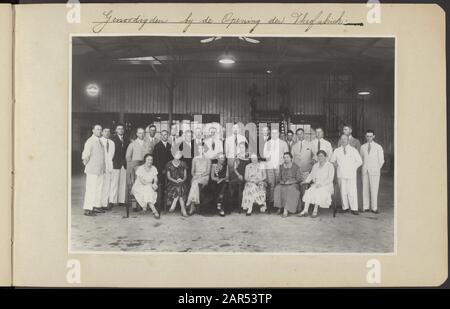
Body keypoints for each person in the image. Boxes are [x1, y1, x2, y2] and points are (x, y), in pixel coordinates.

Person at [331, 134, 363, 215]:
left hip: (351, 174)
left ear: (348, 140)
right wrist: (335, 164)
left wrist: (353, 168)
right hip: (341, 174)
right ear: (340, 140)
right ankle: (345, 207)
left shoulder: (353, 150)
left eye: (345, 139)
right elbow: (332, 161)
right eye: (342, 139)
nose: (343, 141)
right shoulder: (337, 150)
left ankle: (354, 208)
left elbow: (360, 161)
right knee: (343, 191)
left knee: (352, 191)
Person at [299, 150, 335, 218]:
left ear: (325, 157)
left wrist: (321, 184)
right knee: (309, 192)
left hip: (326, 185)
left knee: (318, 192)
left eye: (321, 156)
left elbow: (330, 179)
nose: (320, 157)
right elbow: (311, 175)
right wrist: (306, 181)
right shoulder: (315, 165)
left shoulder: (330, 166)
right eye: (318, 156)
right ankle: (305, 211)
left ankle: (315, 210)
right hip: (316, 184)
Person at [81, 124, 106, 216]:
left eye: (100, 129)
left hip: (100, 169)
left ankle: (96, 206)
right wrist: (89, 166)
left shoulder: (100, 141)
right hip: (92, 170)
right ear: (93, 131)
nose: (99, 131)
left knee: (98, 188)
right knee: (91, 189)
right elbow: (85, 156)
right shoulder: (90, 141)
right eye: (97, 129)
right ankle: (87, 209)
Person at [263, 128, 289, 210]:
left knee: (279, 184)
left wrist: (281, 164)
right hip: (270, 167)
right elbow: (265, 155)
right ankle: (271, 203)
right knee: (271, 185)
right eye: (272, 133)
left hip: (279, 167)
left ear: (278, 134)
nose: (274, 135)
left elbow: (286, 156)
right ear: (271, 134)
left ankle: (279, 204)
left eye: (276, 133)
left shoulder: (283, 143)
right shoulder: (267, 143)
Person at [360, 130, 384, 214]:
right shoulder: (362, 147)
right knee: (365, 189)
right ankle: (365, 207)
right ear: (365, 137)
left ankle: (374, 208)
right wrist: (364, 167)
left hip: (374, 171)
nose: (369, 138)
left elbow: (381, 160)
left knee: (374, 189)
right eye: (367, 136)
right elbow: (361, 159)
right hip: (365, 170)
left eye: (370, 136)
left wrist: (376, 168)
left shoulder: (378, 147)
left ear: (374, 136)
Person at [273, 152, 302, 217]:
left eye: (287, 157)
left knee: (289, 189)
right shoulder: (281, 166)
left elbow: (299, 179)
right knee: (278, 188)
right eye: (284, 157)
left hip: (293, 184)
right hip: (283, 183)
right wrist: (281, 181)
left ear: (291, 158)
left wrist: (290, 182)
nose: (286, 159)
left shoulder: (296, 167)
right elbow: (279, 178)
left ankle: (286, 210)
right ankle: (279, 207)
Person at [131, 154, 159, 219]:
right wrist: (151, 185)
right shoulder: (140, 168)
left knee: (148, 189)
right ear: (145, 160)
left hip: (148, 186)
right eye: (148, 160)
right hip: (139, 186)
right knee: (148, 189)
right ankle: (154, 210)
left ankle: (144, 208)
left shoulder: (154, 168)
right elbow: (142, 181)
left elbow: (155, 178)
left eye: (151, 160)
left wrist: (155, 183)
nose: (150, 161)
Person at [125, 127, 148, 209]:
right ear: (137, 134)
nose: (142, 134)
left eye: (143, 133)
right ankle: (134, 206)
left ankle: (143, 205)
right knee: (135, 186)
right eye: (140, 133)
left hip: (145, 169)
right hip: (135, 169)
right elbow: (128, 157)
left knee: (144, 186)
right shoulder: (132, 144)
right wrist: (131, 169)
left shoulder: (147, 144)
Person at [186, 144, 211, 215]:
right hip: (196, 176)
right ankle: (193, 205)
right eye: (199, 149)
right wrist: (194, 176)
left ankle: (189, 202)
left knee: (195, 183)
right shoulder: (194, 159)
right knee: (195, 183)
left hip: (204, 177)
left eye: (202, 149)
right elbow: (192, 171)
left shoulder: (208, 159)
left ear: (204, 150)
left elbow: (208, 171)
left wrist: (199, 176)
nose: (200, 150)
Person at [152, 130, 173, 209]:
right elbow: (156, 160)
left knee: (169, 186)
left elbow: (171, 160)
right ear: (160, 136)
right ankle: (158, 204)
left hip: (168, 170)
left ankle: (167, 203)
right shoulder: (157, 146)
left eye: (166, 135)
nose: (164, 136)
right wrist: (161, 170)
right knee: (160, 186)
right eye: (163, 135)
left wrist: (168, 169)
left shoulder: (170, 146)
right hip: (159, 171)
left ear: (168, 136)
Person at [110, 123, 129, 208]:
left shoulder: (127, 139)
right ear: (116, 130)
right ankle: (112, 201)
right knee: (114, 183)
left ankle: (121, 201)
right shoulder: (112, 139)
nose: (121, 130)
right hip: (115, 163)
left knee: (123, 183)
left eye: (122, 129)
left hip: (124, 164)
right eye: (119, 128)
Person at [228, 141, 250, 212]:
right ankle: (232, 205)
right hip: (237, 174)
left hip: (246, 174)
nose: (241, 149)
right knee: (233, 183)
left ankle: (242, 205)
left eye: (243, 147)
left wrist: (246, 176)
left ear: (246, 148)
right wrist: (239, 175)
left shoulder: (248, 157)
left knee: (243, 185)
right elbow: (234, 168)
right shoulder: (237, 156)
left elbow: (250, 168)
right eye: (240, 147)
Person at [166, 151, 189, 217]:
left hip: (182, 183)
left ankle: (174, 202)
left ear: (181, 156)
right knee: (180, 189)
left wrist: (182, 180)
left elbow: (185, 176)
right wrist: (175, 181)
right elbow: (169, 177)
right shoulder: (169, 164)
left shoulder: (183, 163)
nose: (177, 155)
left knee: (180, 186)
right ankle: (183, 210)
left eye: (179, 154)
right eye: (176, 154)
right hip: (172, 184)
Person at [100, 127, 115, 211]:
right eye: (105, 131)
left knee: (107, 186)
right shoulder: (99, 141)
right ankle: (98, 204)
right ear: (102, 132)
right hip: (101, 167)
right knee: (100, 186)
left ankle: (104, 204)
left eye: (108, 131)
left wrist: (109, 166)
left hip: (109, 167)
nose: (107, 133)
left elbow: (111, 156)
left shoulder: (112, 143)